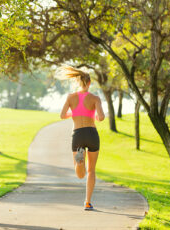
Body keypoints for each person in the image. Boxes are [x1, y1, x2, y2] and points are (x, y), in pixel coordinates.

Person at [59, 66, 105, 211]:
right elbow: (102, 117)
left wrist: (73, 114)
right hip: (92, 134)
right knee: (91, 170)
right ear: (90, 83)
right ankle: (87, 202)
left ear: (78, 82)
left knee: (80, 174)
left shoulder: (70, 97)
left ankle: (80, 162)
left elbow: (62, 115)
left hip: (77, 134)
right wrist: (96, 116)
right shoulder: (95, 98)